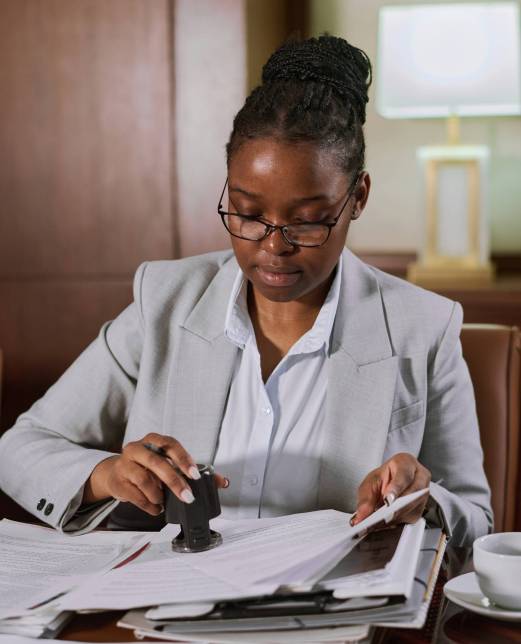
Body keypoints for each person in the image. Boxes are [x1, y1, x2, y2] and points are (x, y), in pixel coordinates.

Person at [0, 35, 492, 546]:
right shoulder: (164, 302)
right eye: (248, 215)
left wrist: (423, 499)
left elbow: (477, 518)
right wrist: (105, 475)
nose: (272, 246)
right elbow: (21, 446)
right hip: (172, 607)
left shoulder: (423, 327)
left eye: (308, 222)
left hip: (331, 613)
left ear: (358, 196)